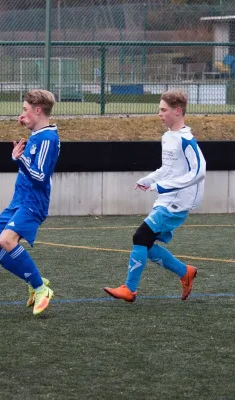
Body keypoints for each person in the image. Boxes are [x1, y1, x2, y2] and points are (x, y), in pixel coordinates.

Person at [103, 90, 206, 302]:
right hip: (167, 200)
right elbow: (167, 169)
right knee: (146, 245)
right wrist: (148, 180)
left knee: (140, 237)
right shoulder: (168, 137)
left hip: (177, 204)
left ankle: (129, 289)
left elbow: (199, 171)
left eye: (163, 110)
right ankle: (184, 271)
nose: (159, 114)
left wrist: (166, 187)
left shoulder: (187, 140)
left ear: (177, 111)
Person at [0, 89, 60, 316]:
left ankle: (41, 289)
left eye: (25, 110)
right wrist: (21, 152)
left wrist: (19, 159)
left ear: (38, 110)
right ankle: (34, 278)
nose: (21, 114)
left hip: (33, 203)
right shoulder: (37, 134)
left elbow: (40, 177)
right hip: (18, 201)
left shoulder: (48, 138)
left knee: (7, 240)